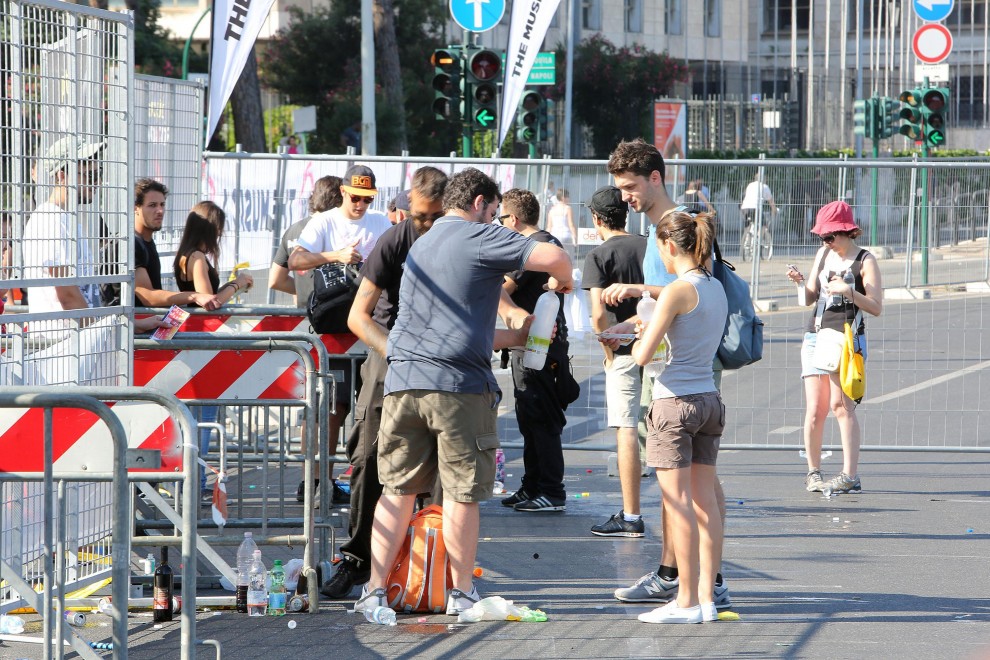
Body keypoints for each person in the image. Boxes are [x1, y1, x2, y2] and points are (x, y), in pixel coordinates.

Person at [353, 168, 573, 619]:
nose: (496, 221)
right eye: (493, 213)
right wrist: (562, 283)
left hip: (404, 381)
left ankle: (373, 590)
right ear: (478, 204)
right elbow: (555, 256)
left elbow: (454, 329)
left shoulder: (423, 243)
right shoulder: (478, 235)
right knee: (460, 493)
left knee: (396, 490)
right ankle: (461, 591)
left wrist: (516, 338)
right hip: (457, 389)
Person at [599, 139, 731, 611]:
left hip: (681, 374)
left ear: (655, 178)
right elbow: (677, 300)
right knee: (690, 484)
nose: (625, 197)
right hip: (688, 375)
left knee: (686, 487)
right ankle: (692, 580)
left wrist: (638, 292)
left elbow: (686, 290)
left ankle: (688, 583)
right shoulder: (667, 228)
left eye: (630, 187)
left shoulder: (682, 228)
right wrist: (636, 320)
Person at [320, 166, 448, 599]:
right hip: (388, 351)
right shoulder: (394, 240)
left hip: (442, 358)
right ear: (408, 207)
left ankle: (433, 564)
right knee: (368, 456)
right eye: (420, 216)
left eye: (435, 217)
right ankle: (357, 560)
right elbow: (359, 316)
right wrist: (394, 352)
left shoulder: (460, 239)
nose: (426, 225)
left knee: (442, 463)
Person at [631, 209, 727, 624]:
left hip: (674, 402)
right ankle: (706, 598)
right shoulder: (715, 286)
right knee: (706, 503)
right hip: (709, 399)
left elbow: (643, 356)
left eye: (659, 249)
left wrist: (641, 336)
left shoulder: (676, 290)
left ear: (669, 245)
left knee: (677, 504)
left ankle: (685, 601)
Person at [288, 165, 391, 505]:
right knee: (333, 409)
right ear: (343, 192)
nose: (360, 205)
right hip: (335, 330)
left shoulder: (380, 222)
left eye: (367, 199)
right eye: (355, 197)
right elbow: (295, 261)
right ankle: (320, 481)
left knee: (374, 409)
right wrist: (336, 255)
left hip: (372, 327)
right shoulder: (325, 221)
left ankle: (369, 482)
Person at [786, 201, 883, 494]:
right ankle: (813, 472)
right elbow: (809, 298)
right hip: (816, 336)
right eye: (822, 236)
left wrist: (849, 291)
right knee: (815, 409)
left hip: (847, 340)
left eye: (830, 236)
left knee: (841, 406)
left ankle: (849, 475)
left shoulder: (865, 260)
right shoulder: (823, 254)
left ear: (847, 231)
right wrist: (799, 282)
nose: (826, 241)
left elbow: (876, 307)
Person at [22, 137, 165, 333]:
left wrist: (131, 326)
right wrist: (102, 333)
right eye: (90, 175)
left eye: (99, 173)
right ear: (62, 176)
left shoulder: (67, 219)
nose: (97, 182)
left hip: (76, 340)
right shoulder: (51, 221)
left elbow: (85, 296)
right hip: (61, 343)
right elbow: (68, 295)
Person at [173, 201, 254, 495]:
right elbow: (210, 302)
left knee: (199, 415)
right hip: (201, 340)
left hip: (195, 340)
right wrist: (237, 284)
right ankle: (193, 482)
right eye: (218, 229)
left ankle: (191, 481)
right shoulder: (196, 258)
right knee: (204, 416)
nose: (219, 236)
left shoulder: (188, 255)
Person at [499, 188, 571, 513]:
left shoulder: (532, 249)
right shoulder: (546, 243)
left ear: (513, 219)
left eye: (501, 219)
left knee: (541, 419)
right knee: (530, 418)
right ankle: (532, 486)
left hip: (538, 346)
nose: (500, 225)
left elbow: (503, 287)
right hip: (536, 344)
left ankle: (551, 491)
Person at [581, 185, 647, 534]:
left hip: (622, 352)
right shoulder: (649, 245)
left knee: (626, 429)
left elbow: (597, 315)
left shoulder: (598, 256)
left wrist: (608, 354)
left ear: (596, 219)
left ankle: (631, 515)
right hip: (657, 345)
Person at [268, 175, 343, 306]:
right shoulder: (340, 228)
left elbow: (276, 280)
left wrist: (305, 293)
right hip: (334, 310)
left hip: (304, 310)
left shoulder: (293, 230)